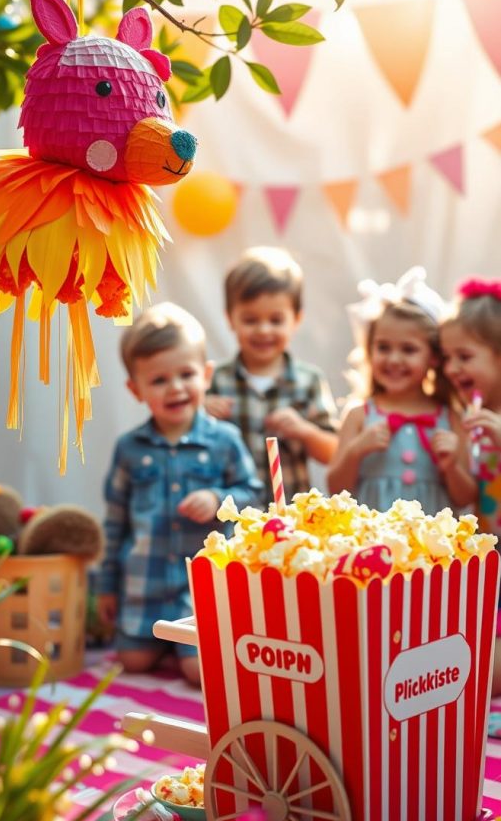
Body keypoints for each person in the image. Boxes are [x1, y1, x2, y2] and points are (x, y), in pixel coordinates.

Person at [93, 302, 262, 685]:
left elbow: (254, 496)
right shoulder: (130, 448)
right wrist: (107, 586)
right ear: (136, 390)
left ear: (205, 375)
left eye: (186, 374)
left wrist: (219, 498)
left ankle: (186, 649)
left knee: (198, 672)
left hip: (201, 590)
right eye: (159, 380)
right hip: (145, 585)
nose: (176, 388)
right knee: (132, 662)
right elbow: (115, 520)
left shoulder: (225, 440)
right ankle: (162, 644)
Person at [327, 267, 476, 513]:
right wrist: (356, 451)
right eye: (383, 347)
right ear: (369, 350)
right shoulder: (359, 415)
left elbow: (464, 498)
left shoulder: (450, 417)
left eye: (408, 350)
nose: (394, 359)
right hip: (374, 542)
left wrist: (452, 467)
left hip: (429, 547)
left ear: (434, 357)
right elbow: (335, 489)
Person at [205, 246, 337, 500]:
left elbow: (332, 452)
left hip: (290, 523)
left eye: (276, 320)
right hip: (231, 519)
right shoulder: (214, 381)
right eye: (250, 320)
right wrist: (200, 412)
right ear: (230, 319)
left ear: (296, 319)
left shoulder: (308, 381)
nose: (264, 330)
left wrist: (304, 430)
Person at [440, 278, 501, 695]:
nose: (452, 368)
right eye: (447, 357)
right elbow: (468, 496)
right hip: (489, 553)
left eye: (465, 356)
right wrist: (451, 465)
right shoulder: (470, 420)